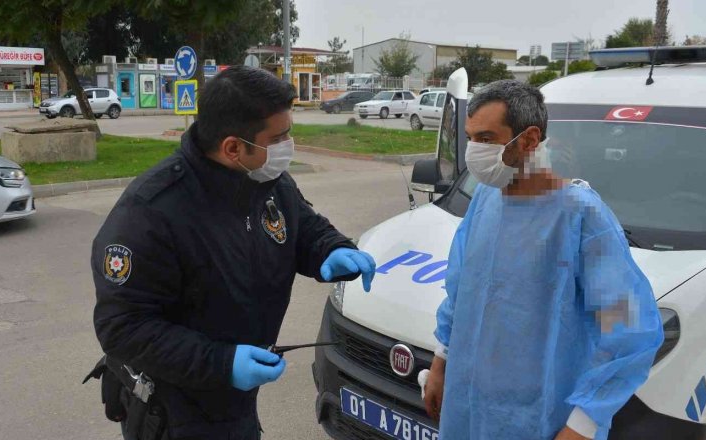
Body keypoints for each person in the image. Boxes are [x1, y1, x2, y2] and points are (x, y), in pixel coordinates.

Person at [90, 65, 377, 440]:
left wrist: (329, 248)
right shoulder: (152, 212)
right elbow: (122, 328)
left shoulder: (264, 179)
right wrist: (223, 363)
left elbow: (302, 225)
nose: (288, 146)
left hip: (234, 402)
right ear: (233, 147)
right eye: (280, 138)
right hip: (174, 409)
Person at [422, 80, 663, 440]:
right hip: (467, 408)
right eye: (470, 138)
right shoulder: (486, 201)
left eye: (486, 139)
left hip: (540, 418)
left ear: (529, 140)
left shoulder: (581, 219)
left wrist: (583, 424)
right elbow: (462, 293)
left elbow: (627, 333)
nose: (474, 151)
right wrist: (441, 363)